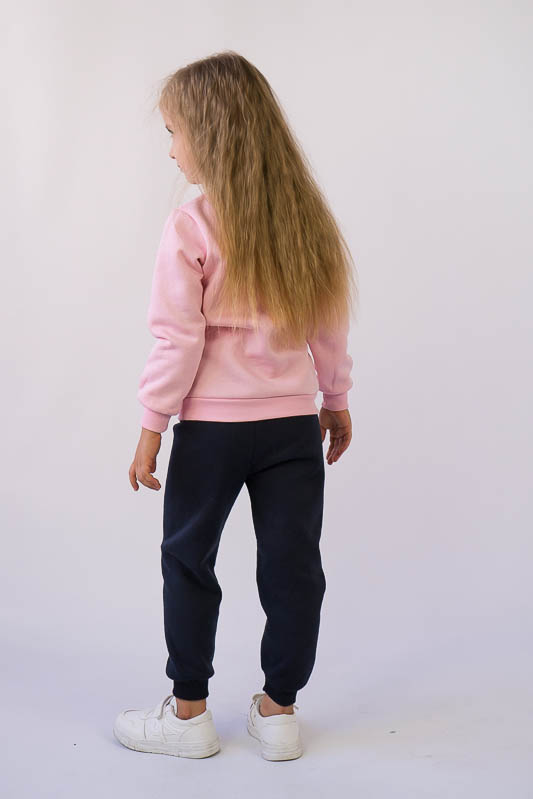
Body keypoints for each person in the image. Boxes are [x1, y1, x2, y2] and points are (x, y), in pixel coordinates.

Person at [113, 50, 358, 762]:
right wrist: (335, 398)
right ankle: (279, 712)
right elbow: (327, 322)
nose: (171, 149)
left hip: (212, 432)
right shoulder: (305, 220)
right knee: (293, 566)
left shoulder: (192, 225)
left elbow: (178, 337)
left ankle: (189, 714)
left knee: (188, 558)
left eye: (174, 132)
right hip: (290, 428)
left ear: (210, 134)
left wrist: (151, 425)